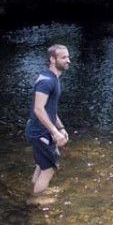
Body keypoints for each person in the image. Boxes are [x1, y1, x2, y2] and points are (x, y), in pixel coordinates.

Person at [25, 44, 71, 205]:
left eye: (68, 57)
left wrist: (60, 128)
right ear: (52, 59)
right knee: (49, 168)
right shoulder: (46, 82)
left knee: (41, 165)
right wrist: (54, 132)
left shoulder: (53, 78)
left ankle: (35, 190)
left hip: (40, 130)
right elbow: (38, 109)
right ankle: (37, 201)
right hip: (39, 132)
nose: (68, 61)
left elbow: (49, 109)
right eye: (63, 57)